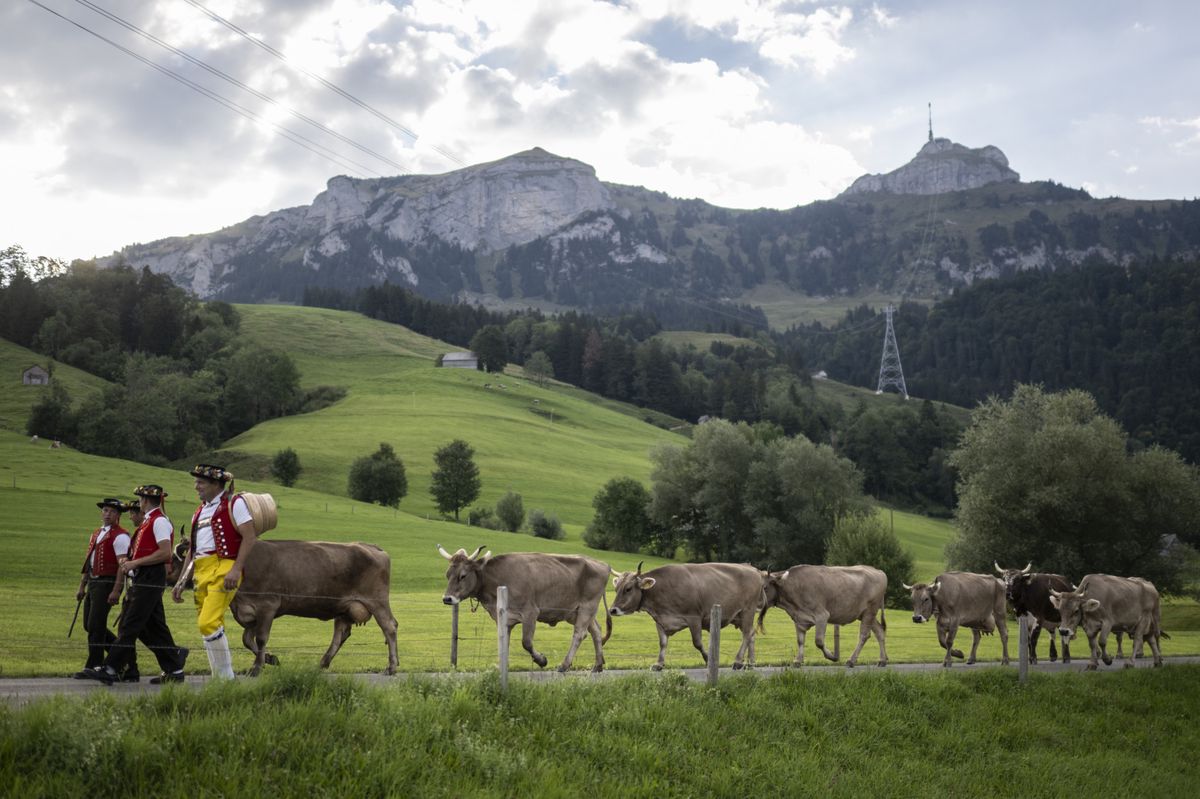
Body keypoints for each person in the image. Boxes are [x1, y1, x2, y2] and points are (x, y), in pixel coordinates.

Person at [79, 485, 188, 685]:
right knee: (152, 627)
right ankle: (174, 664)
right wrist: (131, 565)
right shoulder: (149, 522)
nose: (138, 503)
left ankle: (111, 668)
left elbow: (165, 553)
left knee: (130, 624)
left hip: (149, 577)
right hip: (143, 576)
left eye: (140, 500)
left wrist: (135, 563)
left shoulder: (159, 522)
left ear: (145, 501)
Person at [172, 464, 257, 679]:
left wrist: (236, 569)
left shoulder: (234, 504)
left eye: (200, 482)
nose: (196, 487)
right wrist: (182, 580)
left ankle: (226, 678)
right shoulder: (199, 511)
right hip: (201, 569)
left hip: (224, 565)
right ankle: (219, 678)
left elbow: (250, 536)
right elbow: (193, 549)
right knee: (209, 625)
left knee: (207, 622)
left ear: (216, 484)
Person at [72, 498, 138, 681]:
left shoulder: (121, 536)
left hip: (106, 583)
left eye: (111, 511)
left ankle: (94, 665)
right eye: (105, 510)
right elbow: (89, 563)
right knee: (90, 625)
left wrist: (116, 590)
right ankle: (123, 659)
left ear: (118, 515)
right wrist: (82, 585)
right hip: (93, 582)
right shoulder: (96, 534)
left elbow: (122, 566)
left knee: (95, 626)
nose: (107, 514)